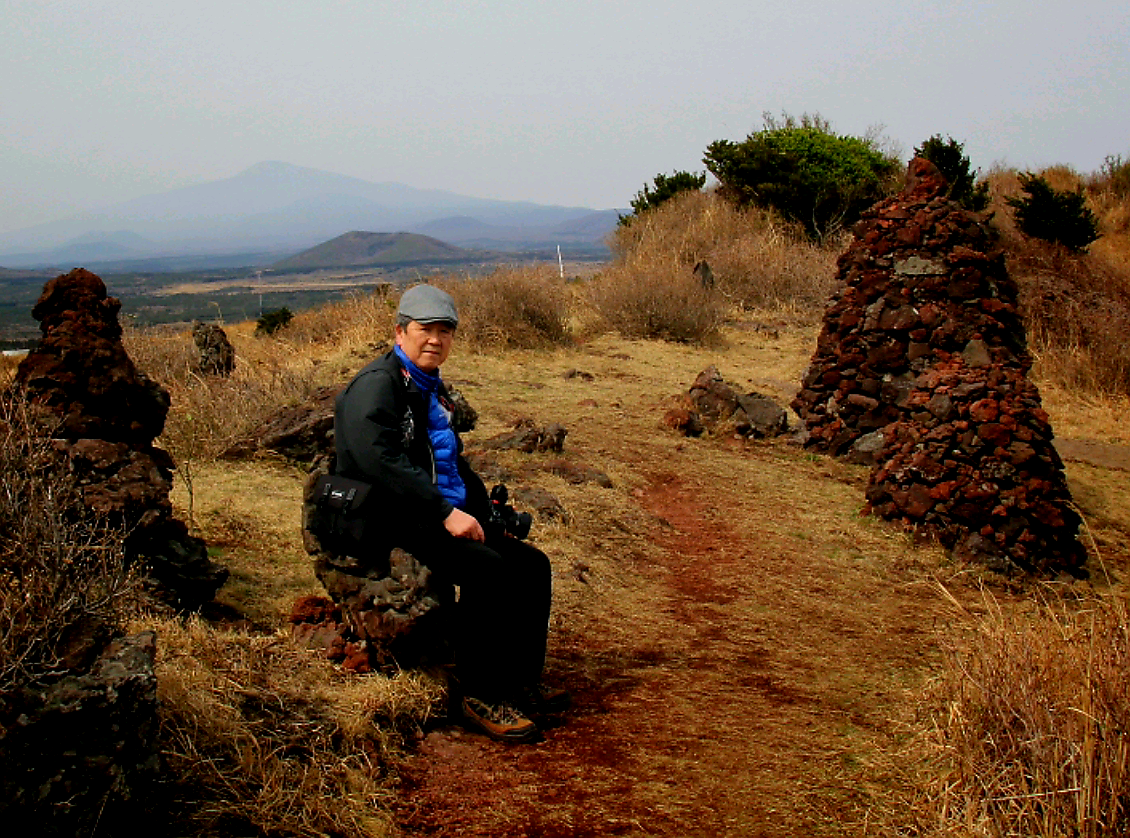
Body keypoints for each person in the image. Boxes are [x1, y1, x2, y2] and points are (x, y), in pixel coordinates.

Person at [333, 284, 567, 743]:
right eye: (425, 329)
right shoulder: (377, 386)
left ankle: (518, 684)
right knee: (489, 571)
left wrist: (484, 515)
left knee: (532, 565)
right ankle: (478, 695)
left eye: (445, 331)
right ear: (400, 332)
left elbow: (447, 460)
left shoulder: (425, 386)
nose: (435, 340)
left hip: (427, 512)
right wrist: (445, 512)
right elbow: (378, 460)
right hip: (386, 520)